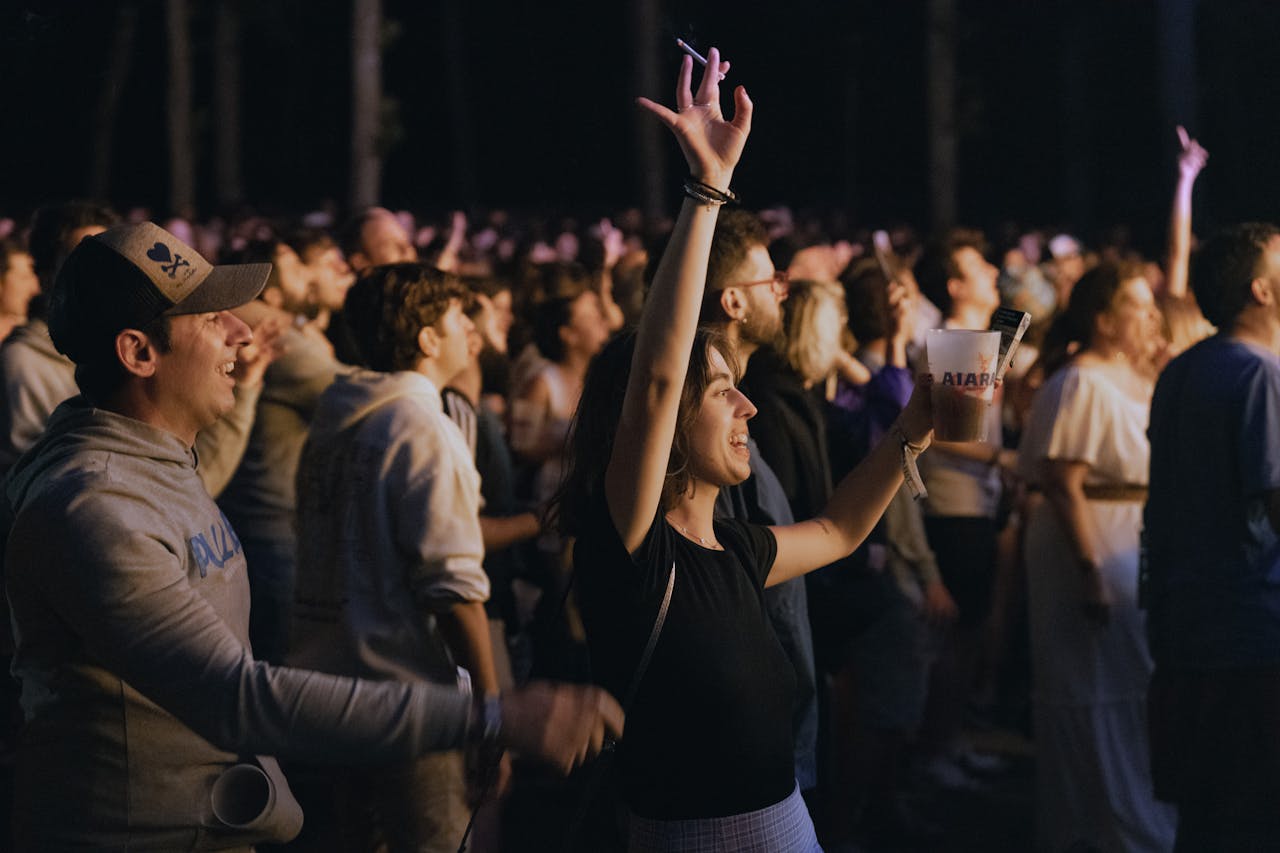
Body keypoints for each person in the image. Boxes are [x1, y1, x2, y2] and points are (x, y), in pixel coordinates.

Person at [1, 222, 623, 851]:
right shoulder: (92, 506)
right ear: (139, 354)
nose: (242, 333)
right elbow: (232, 695)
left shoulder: (155, 461)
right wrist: (494, 714)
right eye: (213, 318)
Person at [556, 50, 932, 851]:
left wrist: (914, 428)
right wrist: (706, 191)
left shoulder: (732, 549)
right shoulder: (633, 547)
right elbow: (657, 382)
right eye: (719, 387)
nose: (747, 402)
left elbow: (837, 531)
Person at [1018, 262, 1175, 852]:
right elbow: (1063, 482)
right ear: (1105, 320)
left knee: (1132, 683)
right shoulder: (1080, 381)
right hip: (1090, 546)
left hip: (1130, 539)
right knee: (1094, 685)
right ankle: (1101, 831)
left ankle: (1135, 818)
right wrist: (1090, 572)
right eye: (1137, 305)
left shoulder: (1131, 375)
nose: (1151, 315)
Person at [1145, 222, 1280, 850]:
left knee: (1205, 819)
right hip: (1250, 627)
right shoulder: (1260, 375)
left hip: (1187, 623)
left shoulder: (1182, 369)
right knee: (1250, 813)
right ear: (1261, 289)